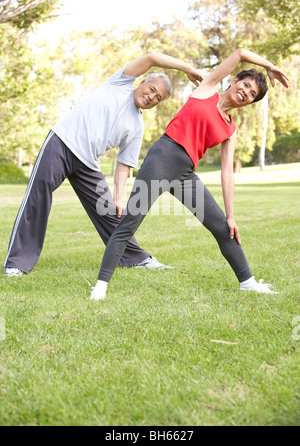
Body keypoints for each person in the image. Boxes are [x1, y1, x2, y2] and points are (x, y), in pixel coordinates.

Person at [91, 48, 289, 300]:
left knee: (222, 228)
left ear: (250, 102)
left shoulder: (230, 128)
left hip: (185, 173)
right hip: (161, 159)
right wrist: (269, 66)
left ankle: (248, 282)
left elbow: (227, 174)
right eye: (246, 85)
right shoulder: (207, 89)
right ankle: (100, 286)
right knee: (129, 224)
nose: (246, 93)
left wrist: (231, 216)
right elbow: (239, 53)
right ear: (234, 80)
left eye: (252, 94)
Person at [4, 52, 203, 277]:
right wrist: (187, 68)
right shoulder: (120, 83)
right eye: (152, 90)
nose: (151, 97)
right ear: (142, 82)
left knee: (109, 211)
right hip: (61, 143)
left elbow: (124, 164)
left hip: (88, 163)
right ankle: (17, 263)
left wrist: (118, 198)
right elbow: (152, 57)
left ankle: (137, 258)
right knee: (38, 197)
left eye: (158, 98)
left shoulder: (137, 126)